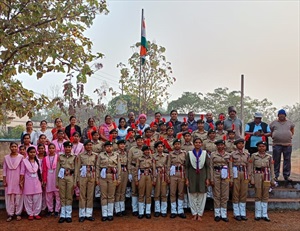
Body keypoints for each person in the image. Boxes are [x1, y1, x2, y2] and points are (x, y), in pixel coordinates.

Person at [185, 138, 210, 221]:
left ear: (201, 144)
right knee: (192, 195)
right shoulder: (189, 154)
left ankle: (200, 213)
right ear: (194, 144)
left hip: (202, 176)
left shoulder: (204, 153)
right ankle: (194, 213)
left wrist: (207, 178)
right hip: (192, 176)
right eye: (196, 142)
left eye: (199, 142)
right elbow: (187, 167)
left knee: (202, 195)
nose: (198, 144)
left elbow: (207, 167)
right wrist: (187, 178)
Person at [250, 141, 275, 222]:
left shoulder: (269, 156)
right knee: (258, 193)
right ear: (257, 147)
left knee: (265, 194)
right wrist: (252, 179)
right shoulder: (254, 156)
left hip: (266, 175)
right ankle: (257, 214)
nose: (261, 148)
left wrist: (273, 179)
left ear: (266, 147)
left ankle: (264, 214)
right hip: (257, 174)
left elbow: (272, 168)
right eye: (260, 146)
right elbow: (251, 167)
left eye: (263, 146)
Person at [96, 141, 121, 221]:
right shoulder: (101, 155)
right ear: (104, 148)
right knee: (104, 195)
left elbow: (119, 168)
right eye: (107, 147)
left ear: (112, 147)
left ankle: (110, 213)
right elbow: (97, 167)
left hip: (112, 176)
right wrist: (97, 178)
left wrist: (118, 178)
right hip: (103, 176)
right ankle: (104, 214)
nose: (108, 148)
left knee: (111, 195)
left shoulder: (116, 155)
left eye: (110, 146)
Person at [269, 109, 295, 182]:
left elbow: (292, 130)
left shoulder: (290, 123)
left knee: (287, 160)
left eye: (283, 115)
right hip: (277, 144)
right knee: (276, 160)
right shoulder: (273, 123)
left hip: (287, 144)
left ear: (285, 115)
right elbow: (270, 131)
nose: (281, 116)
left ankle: (286, 175)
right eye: (280, 115)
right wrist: (275, 136)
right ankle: (275, 175)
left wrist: (288, 135)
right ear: (278, 115)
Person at [210, 140, 232, 222]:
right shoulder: (213, 154)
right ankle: (217, 213)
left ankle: (223, 213)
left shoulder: (228, 155)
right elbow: (211, 167)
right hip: (216, 174)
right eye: (218, 145)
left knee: (225, 195)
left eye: (222, 145)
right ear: (216, 146)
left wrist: (231, 178)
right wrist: (211, 178)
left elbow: (230, 167)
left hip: (225, 174)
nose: (220, 146)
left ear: (224, 146)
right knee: (217, 194)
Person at [76, 140, 97, 222]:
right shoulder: (80, 155)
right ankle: (82, 214)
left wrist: (97, 178)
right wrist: (77, 179)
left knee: (90, 195)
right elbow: (78, 168)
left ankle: (88, 214)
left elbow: (97, 167)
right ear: (84, 146)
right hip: (83, 176)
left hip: (92, 175)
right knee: (82, 195)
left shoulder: (95, 155)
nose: (89, 146)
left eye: (90, 145)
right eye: (87, 145)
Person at [3, 142, 24, 222]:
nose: (14, 148)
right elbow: (4, 170)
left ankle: (18, 213)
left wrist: (21, 181)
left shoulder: (21, 157)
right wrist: (4, 180)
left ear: (17, 147)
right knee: (10, 197)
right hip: (9, 179)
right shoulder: (6, 158)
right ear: (10, 147)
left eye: (15, 146)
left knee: (18, 196)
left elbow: (22, 170)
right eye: (12, 147)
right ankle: (10, 214)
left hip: (18, 178)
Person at [56, 141, 77, 223]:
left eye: (69, 147)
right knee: (62, 196)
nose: (67, 149)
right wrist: (56, 181)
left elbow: (76, 170)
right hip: (62, 177)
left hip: (70, 178)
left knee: (69, 196)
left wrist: (75, 182)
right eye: (66, 147)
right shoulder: (60, 157)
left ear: (71, 148)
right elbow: (57, 169)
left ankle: (68, 214)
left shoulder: (74, 157)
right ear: (63, 148)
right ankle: (62, 214)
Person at [21, 146, 43, 220]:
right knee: (28, 198)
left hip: (36, 181)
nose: (32, 154)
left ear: (36, 153)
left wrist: (42, 180)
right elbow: (22, 172)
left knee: (37, 198)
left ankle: (36, 213)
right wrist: (21, 182)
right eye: (31, 152)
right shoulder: (24, 161)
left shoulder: (38, 161)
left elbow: (40, 172)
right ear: (28, 153)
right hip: (28, 181)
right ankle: (30, 213)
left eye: (34, 152)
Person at [231, 139, 250, 221]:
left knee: (243, 192)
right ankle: (236, 213)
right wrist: (231, 177)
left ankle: (242, 212)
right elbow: (230, 166)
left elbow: (249, 165)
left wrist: (249, 176)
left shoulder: (247, 154)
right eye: (239, 143)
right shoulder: (232, 154)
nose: (241, 145)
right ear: (236, 145)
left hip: (244, 173)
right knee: (236, 192)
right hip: (236, 173)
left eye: (242, 143)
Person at [167, 139, 187, 219]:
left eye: (178, 144)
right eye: (175, 144)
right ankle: (173, 210)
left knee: (181, 192)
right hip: (173, 174)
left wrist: (186, 176)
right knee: (172, 192)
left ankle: (180, 210)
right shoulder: (170, 154)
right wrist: (168, 176)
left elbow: (186, 165)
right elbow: (168, 166)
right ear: (173, 145)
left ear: (180, 145)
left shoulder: (184, 153)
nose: (177, 145)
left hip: (181, 173)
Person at [135, 145, 156, 219]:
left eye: (148, 150)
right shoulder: (139, 158)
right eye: (145, 150)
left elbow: (153, 169)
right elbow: (136, 169)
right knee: (141, 194)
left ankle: (148, 211)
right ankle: (141, 211)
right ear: (143, 151)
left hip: (149, 176)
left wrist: (154, 179)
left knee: (148, 194)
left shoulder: (152, 158)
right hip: (142, 176)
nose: (147, 151)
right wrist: (136, 179)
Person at [42, 143, 60, 218]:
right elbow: (44, 170)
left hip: (56, 177)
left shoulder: (58, 157)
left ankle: (57, 210)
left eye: (53, 148)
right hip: (48, 177)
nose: (51, 149)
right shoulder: (45, 158)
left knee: (58, 195)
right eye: (50, 148)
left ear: (55, 149)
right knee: (48, 195)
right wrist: (44, 180)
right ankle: (50, 210)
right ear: (48, 149)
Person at [127, 135, 144, 216]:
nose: (140, 141)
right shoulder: (132, 149)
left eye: (141, 140)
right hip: (134, 170)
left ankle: (142, 208)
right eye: (138, 140)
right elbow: (129, 161)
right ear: (136, 141)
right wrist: (129, 172)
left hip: (144, 171)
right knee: (134, 190)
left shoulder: (146, 149)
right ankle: (135, 209)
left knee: (142, 190)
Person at [153, 141, 169, 217]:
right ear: (156, 148)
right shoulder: (153, 156)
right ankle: (157, 210)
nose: (160, 148)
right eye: (158, 147)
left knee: (164, 192)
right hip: (156, 174)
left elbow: (168, 167)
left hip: (164, 174)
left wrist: (167, 176)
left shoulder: (166, 156)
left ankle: (163, 210)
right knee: (156, 192)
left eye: (161, 146)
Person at [114, 140, 128, 216]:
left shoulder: (126, 153)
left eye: (123, 144)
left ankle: (122, 208)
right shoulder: (115, 154)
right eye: (121, 144)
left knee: (123, 190)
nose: (122, 146)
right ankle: (117, 209)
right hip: (118, 171)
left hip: (125, 171)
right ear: (118, 145)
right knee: (118, 190)